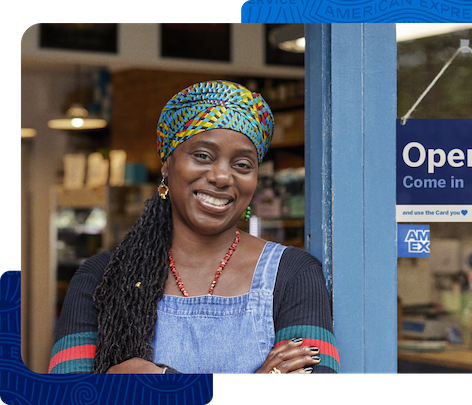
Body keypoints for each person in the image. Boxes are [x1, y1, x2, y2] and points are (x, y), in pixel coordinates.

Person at [48, 80, 340, 375]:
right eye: (202, 156)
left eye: (242, 164)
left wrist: (161, 382)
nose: (222, 176)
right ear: (167, 164)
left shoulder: (293, 275)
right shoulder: (100, 279)